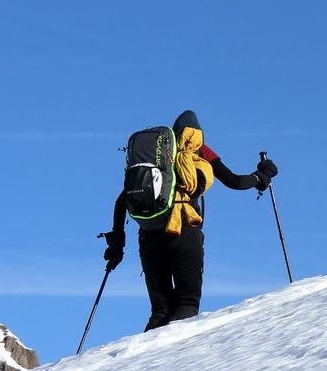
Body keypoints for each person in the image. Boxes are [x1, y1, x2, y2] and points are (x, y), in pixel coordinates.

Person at [103, 110, 278, 331]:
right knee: (186, 303)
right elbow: (234, 181)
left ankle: (142, 361)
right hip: (185, 231)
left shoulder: (160, 156)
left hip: (149, 235)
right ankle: (172, 364)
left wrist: (117, 244)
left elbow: (122, 200)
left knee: (160, 310)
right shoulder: (200, 150)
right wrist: (262, 176)